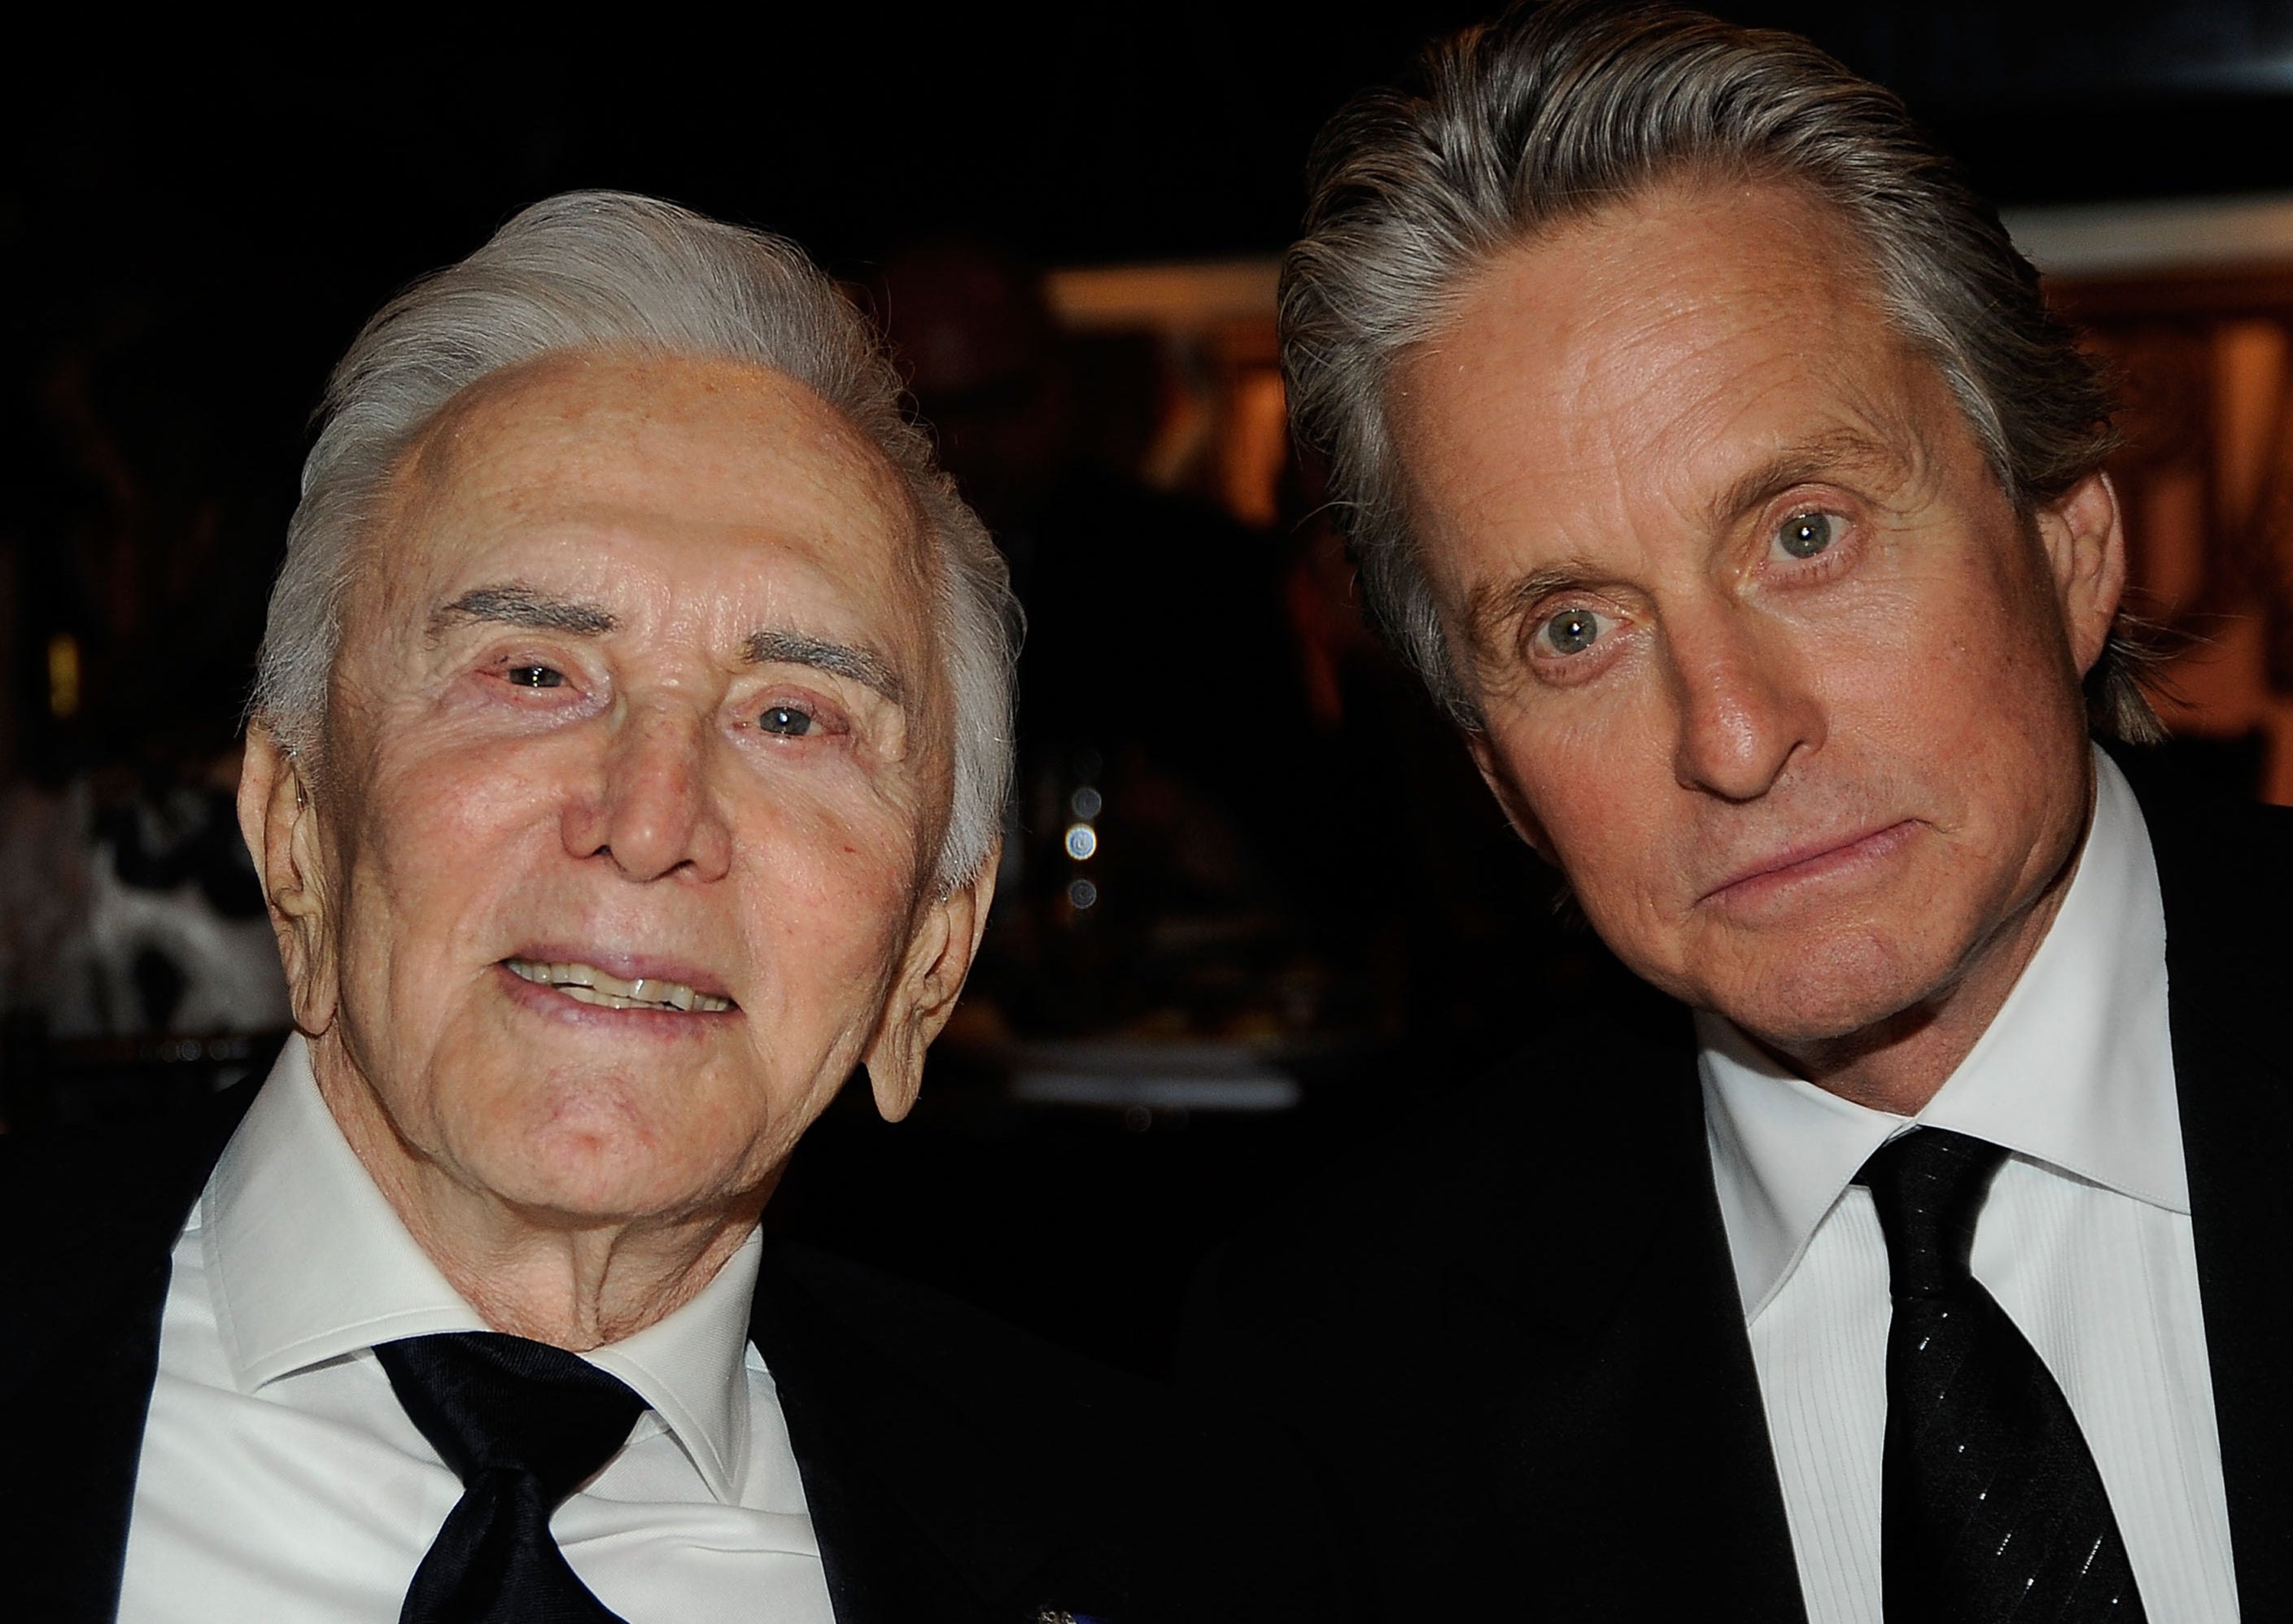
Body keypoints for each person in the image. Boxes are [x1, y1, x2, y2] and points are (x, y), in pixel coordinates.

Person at [1182, 7, 2293, 1622]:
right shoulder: (1336, 1382)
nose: (1732, 734)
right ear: (1499, 780)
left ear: (2070, 543)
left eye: (1805, 533)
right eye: (1573, 629)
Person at [0, 191, 1316, 1624]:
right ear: (295, 831)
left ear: (930, 959)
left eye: (792, 717)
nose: (649, 822)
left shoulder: (1173, 1541)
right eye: (533, 674)